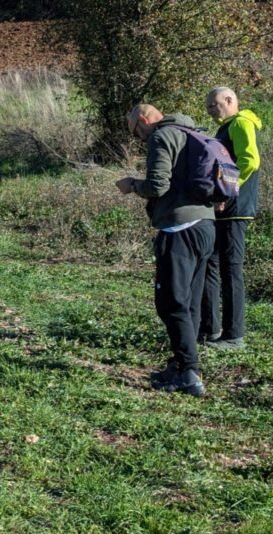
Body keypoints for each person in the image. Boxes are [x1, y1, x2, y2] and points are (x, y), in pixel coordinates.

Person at [116, 105, 216, 397]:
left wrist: (132, 185)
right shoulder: (193, 132)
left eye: (137, 133)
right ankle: (182, 364)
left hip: (179, 228)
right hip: (206, 225)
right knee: (191, 301)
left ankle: (188, 371)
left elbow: (157, 185)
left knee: (170, 302)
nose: (140, 139)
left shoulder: (162, 137)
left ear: (144, 121)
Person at [200, 87, 263, 350]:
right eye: (208, 107)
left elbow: (250, 161)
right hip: (221, 210)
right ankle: (211, 330)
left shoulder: (241, 123)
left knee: (231, 270)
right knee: (211, 266)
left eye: (215, 105)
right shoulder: (226, 127)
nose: (212, 110)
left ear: (230, 100)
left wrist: (229, 190)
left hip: (235, 209)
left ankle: (234, 336)